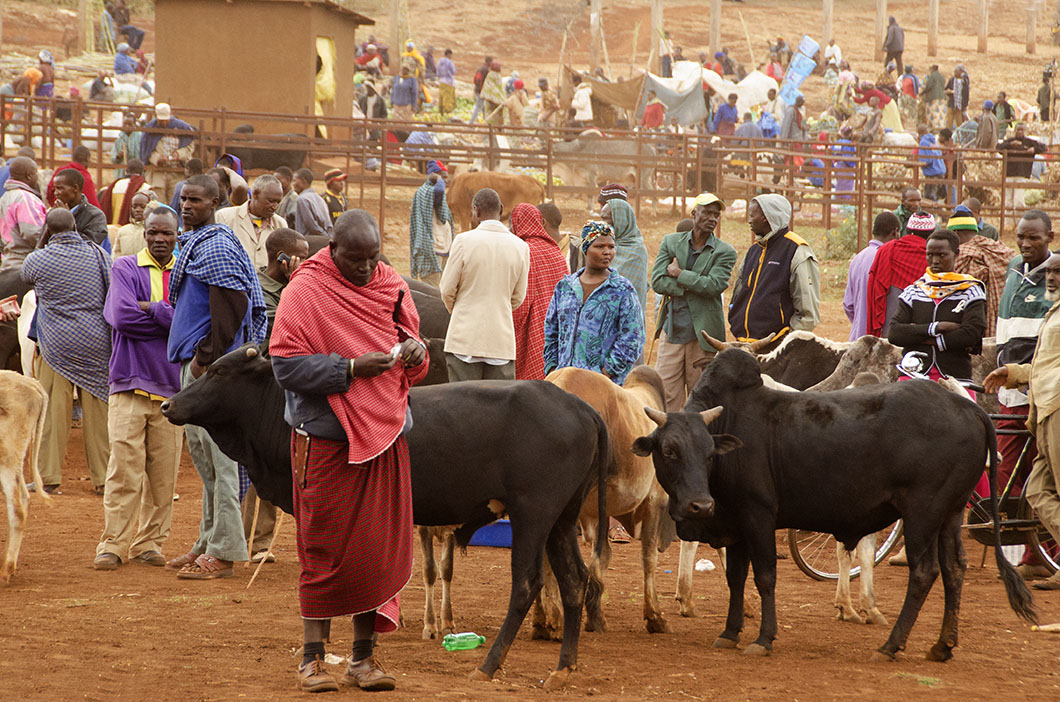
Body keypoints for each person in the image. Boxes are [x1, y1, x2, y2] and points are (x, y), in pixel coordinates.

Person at [269, 210, 427, 692]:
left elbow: (410, 346)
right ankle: (312, 660)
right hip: (324, 440)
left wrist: (417, 350)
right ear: (332, 248)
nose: (364, 268)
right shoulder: (305, 290)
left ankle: (363, 660)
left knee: (374, 551)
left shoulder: (392, 285)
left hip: (385, 438)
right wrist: (351, 368)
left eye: (372, 258)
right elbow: (286, 367)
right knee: (323, 548)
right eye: (354, 259)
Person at [165, 174, 266, 579]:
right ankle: (207, 539)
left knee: (222, 460)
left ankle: (224, 552)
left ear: (216, 203)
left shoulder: (217, 245)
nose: (187, 205)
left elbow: (233, 304)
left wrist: (205, 359)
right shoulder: (198, 243)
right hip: (203, 368)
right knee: (205, 460)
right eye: (183, 198)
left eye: (197, 201)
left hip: (213, 371)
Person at [93, 206, 183, 570]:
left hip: (173, 391)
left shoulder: (185, 272)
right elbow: (122, 317)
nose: (160, 239)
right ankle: (113, 544)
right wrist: (167, 316)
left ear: (177, 236)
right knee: (123, 471)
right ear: (144, 234)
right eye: (153, 233)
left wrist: (152, 309)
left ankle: (149, 543)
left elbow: (192, 323)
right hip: (128, 383)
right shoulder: (125, 267)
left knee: (164, 477)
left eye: (167, 234)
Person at [21, 209, 111, 495]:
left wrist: (42, 240)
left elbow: (25, 274)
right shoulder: (98, 255)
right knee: (99, 416)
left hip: (56, 346)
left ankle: (47, 477)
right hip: (96, 343)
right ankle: (104, 478)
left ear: (48, 229)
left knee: (52, 414)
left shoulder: (39, 259)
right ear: (76, 226)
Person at [985, 253, 1060, 590]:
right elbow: (1045, 366)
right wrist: (1013, 373)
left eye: (1059, 272)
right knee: (1036, 491)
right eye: (1050, 273)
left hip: (1056, 409)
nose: (1052, 278)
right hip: (1043, 411)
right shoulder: (1053, 313)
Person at [240, 227, 307, 564]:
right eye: (300, 257)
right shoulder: (260, 291)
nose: (305, 263)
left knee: (281, 464)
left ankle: (261, 540)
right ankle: (248, 538)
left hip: (287, 391)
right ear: (283, 260)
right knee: (259, 465)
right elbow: (275, 337)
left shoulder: (290, 288)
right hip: (262, 394)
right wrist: (297, 288)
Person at [651, 192, 738, 410]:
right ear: (694, 213)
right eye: (707, 213)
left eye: (716, 215)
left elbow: (714, 285)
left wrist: (679, 274)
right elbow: (658, 281)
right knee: (666, 396)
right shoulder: (670, 242)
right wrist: (694, 286)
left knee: (700, 399)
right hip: (672, 332)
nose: (712, 219)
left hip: (703, 336)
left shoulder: (724, 251)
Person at [439, 188, 529, 381]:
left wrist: (461, 310)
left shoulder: (463, 241)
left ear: (476, 211)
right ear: (502, 209)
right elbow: (518, 297)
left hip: (464, 339)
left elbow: (446, 290)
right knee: (498, 408)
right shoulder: (520, 247)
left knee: (462, 405)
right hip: (501, 342)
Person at [544, 221, 645, 384]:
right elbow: (551, 330)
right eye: (599, 247)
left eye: (611, 247)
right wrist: (552, 368)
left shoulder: (622, 289)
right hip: (563, 382)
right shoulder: (565, 286)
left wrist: (607, 372)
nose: (607, 252)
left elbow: (632, 338)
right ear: (585, 248)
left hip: (602, 385)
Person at [889, 228, 986, 381]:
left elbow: (972, 334)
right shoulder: (914, 290)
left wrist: (921, 337)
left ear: (957, 253)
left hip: (955, 377)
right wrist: (937, 327)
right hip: (913, 377)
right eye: (930, 255)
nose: (935, 261)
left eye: (942, 255)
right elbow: (895, 333)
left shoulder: (971, 291)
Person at [728, 193, 820, 342]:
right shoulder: (754, 250)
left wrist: (785, 343)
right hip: (744, 342)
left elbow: (807, 313)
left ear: (766, 217)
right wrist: (734, 315)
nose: (749, 220)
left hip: (775, 348)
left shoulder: (796, 249)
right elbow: (739, 290)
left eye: (752, 216)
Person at [509, 204, 568, 380]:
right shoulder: (556, 251)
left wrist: (511, 326)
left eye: (514, 224)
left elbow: (523, 301)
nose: (512, 229)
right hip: (556, 328)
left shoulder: (525, 251)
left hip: (533, 328)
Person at [944, 206, 1013, 338]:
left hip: (972, 315)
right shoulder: (998, 247)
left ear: (956, 232)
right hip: (1005, 314)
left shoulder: (962, 253)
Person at [866, 210, 937, 337]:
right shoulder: (937, 256)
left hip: (890, 333)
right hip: (924, 333)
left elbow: (876, 290)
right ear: (931, 234)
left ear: (908, 230)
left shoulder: (888, 250)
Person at [844, 211, 901, 341]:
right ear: (895, 232)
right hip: (878, 342)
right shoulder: (889, 260)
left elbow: (848, 304)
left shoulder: (857, 258)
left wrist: (860, 321)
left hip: (857, 339)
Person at [215, 174, 287, 268]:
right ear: (255, 194)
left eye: (278, 202)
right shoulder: (224, 217)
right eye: (270, 201)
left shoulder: (280, 224)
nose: (275, 207)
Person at [599, 198, 649, 325]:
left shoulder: (637, 251)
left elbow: (636, 290)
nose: (603, 224)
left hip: (628, 320)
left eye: (607, 219)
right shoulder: (599, 246)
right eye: (602, 218)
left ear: (621, 219)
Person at [408, 160, 453, 287]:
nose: (446, 181)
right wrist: (438, 180)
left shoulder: (432, 193)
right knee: (433, 291)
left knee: (443, 288)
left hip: (443, 246)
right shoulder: (427, 192)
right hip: (432, 248)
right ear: (434, 175)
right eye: (443, 177)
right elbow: (439, 193)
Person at [140, 103, 196, 201]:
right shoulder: (150, 129)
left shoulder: (181, 127)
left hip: (176, 172)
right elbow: (146, 150)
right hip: (158, 173)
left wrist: (179, 154)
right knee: (157, 201)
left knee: (176, 200)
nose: (164, 122)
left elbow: (189, 147)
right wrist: (157, 158)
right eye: (161, 120)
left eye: (166, 120)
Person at [0, 156, 47, 271]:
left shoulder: (5, 197)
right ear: (29, 175)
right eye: (36, 173)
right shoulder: (25, 198)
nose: (37, 176)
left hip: (8, 260)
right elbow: (34, 232)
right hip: (24, 262)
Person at [51, 168, 110, 251]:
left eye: (60, 188)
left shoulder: (95, 216)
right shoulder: (53, 213)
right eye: (55, 189)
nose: (56, 193)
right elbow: (42, 243)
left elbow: (87, 248)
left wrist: (66, 218)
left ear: (75, 188)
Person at [999, 123, 1047, 213]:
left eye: (1022, 130)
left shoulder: (1029, 142)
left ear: (1025, 131)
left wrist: (1034, 149)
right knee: (1008, 200)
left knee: (1019, 200)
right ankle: (1008, 223)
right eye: (1018, 129)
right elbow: (998, 147)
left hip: (1021, 173)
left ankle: (1018, 222)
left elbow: (1044, 147)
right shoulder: (1009, 141)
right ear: (1014, 131)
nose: (1020, 132)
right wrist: (1010, 144)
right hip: (1008, 174)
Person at [100, 158, 150, 226]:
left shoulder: (115, 186)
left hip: (113, 228)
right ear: (142, 172)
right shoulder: (145, 187)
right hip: (133, 228)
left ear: (126, 171)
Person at [292, 168, 333, 238]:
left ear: (303, 182)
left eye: (295, 181)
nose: (293, 184)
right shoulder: (319, 198)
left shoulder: (302, 199)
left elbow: (311, 225)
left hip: (309, 240)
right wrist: (328, 237)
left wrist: (324, 236)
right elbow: (328, 224)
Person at [111, 191, 152, 257]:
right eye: (134, 207)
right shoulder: (123, 231)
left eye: (142, 207)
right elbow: (116, 255)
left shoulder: (153, 231)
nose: (138, 210)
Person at [917, 126, 946, 202]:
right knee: (935, 196)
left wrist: (918, 162)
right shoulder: (934, 141)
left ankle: (933, 213)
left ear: (919, 134)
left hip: (932, 173)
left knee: (929, 198)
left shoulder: (923, 142)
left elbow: (927, 160)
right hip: (940, 170)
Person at [921, 64, 947, 130]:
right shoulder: (942, 76)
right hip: (942, 98)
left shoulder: (932, 76)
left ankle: (933, 128)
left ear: (932, 69)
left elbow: (928, 86)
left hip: (933, 98)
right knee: (940, 114)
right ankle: (940, 127)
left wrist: (922, 93)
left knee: (933, 114)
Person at [481, 61, 507, 126]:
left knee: (489, 118)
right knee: (495, 120)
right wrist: (501, 100)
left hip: (489, 100)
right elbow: (498, 89)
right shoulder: (496, 76)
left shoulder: (490, 75)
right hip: (494, 101)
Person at [945, 66, 970, 130]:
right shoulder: (952, 80)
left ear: (961, 72)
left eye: (956, 72)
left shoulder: (964, 81)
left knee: (959, 122)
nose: (954, 73)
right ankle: (948, 134)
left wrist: (965, 105)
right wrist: (948, 91)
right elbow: (946, 89)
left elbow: (966, 94)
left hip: (960, 104)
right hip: (952, 103)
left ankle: (959, 135)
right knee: (949, 121)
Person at [469, 55, 492, 124]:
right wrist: (482, 90)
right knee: (478, 106)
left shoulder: (480, 68)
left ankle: (485, 121)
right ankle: (471, 122)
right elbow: (481, 81)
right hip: (481, 91)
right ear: (489, 62)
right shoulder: (485, 70)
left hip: (477, 90)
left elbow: (475, 80)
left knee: (483, 107)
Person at [437, 49, 456, 116]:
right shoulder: (449, 62)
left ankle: (441, 113)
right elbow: (453, 71)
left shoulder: (440, 61)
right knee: (448, 98)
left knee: (441, 96)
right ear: (449, 54)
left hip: (441, 81)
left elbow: (438, 73)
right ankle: (448, 113)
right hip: (448, 82)